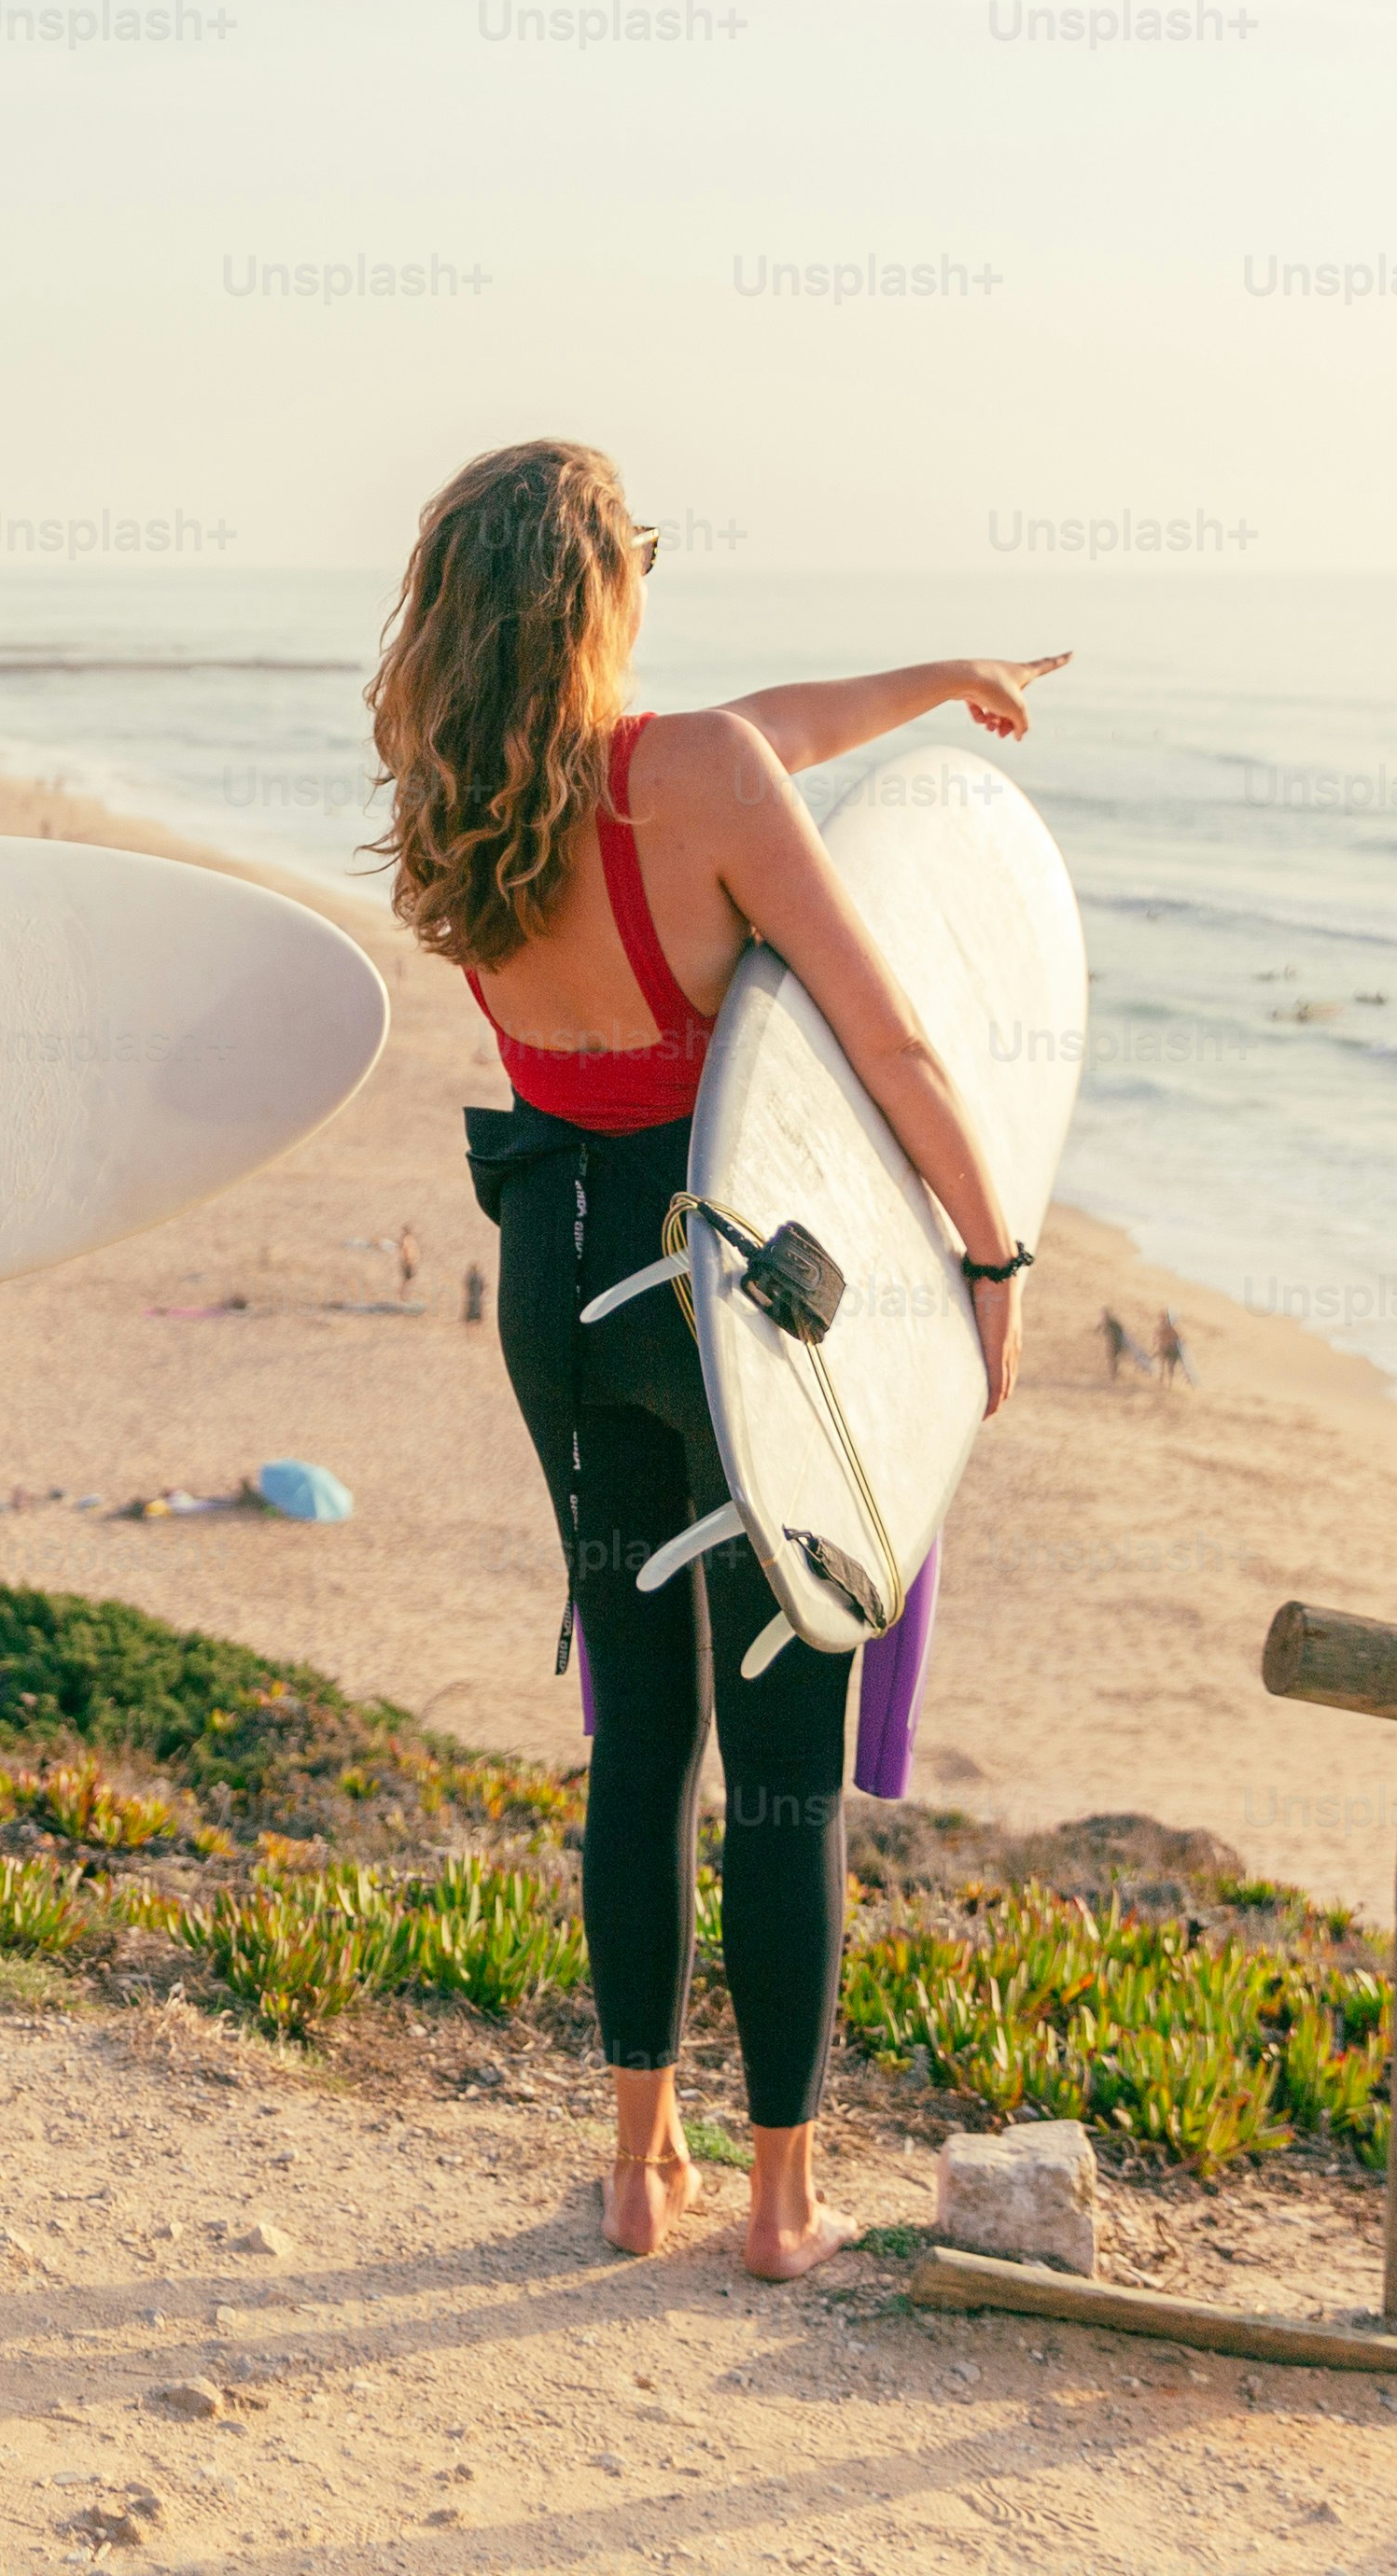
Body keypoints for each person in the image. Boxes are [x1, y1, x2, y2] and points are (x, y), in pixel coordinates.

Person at [370, 440, 1060, 2276]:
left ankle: (629, 2169)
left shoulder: (461, 786)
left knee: (637, 1738)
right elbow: (899, 1049)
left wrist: (932, 676)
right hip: (729, 1308)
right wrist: (992, 1250)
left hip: (560, 1288)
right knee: (778, 1764)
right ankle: (779, 2203)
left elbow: (764, 733)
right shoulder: (697, 781)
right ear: (607, 587)